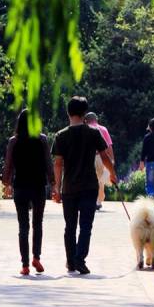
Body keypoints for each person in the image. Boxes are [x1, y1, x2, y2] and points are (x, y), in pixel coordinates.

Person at [52, 95, 118, 275]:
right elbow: (105, 157)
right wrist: (113, 174)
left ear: (68, 113)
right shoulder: (93, 133)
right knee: (86, 226)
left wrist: (56, 188)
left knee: (70, 226)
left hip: (69, 188)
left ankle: (71, 261)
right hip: (89, 186)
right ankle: (80, 259)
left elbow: (58, 164)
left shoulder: (61, 135)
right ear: (84, 113)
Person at [2, 108, 56, 276]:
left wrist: (7, 183)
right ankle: (36, 257)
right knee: (37, 224)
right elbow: (48, 163)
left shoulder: (14, 141)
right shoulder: (42, 140)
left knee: (23, 226)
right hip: (38, 186)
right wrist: (53, 184)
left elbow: (8, 164)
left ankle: (25, 265)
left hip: (20, 186)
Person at [83, 111, 114, 211]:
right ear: (96, 119)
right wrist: (112, 160)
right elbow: (109, 146)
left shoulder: (85, 129)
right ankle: (98, 201)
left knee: (89, 179)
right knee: (100, 180)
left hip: (88, 157)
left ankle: (90, 200)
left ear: (86, 121)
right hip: (101, 157)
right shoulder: (103, 129)